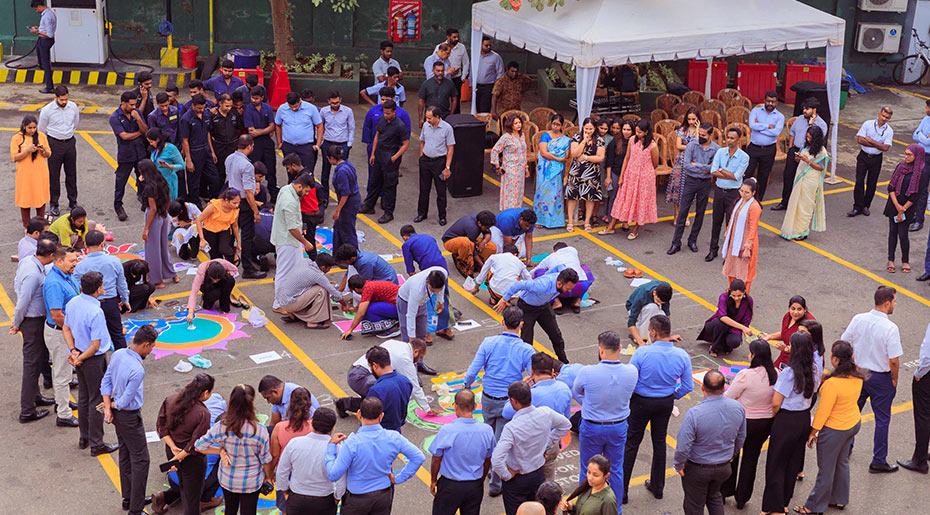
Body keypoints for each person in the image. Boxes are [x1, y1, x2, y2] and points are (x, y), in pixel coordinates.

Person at [463, 306, 535, 495]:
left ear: (503, 322)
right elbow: (533, 376)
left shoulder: (488, 342)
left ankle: (483, 471)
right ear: (521, 324)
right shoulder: (527, 349)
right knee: (501, 443)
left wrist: (466, 387)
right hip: (510, 403)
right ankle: (496, 485)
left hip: (488, 398)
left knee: (488, 436)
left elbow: (473, 370)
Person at [622, 315, 692, 502]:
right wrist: (672, 395)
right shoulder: (681, 355)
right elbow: (688, 386)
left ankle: (622, 490)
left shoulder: (642, 353)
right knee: (659, 442)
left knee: (631, 443)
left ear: (653, 333)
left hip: (640, 401)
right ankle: (658, 487)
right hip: (664, 402)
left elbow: (629, 378)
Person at [793, 340, 864, 514]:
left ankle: (813, 506)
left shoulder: (832, 384)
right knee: (842, 462)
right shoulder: (857, 375)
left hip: (835, 429)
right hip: (853, 423)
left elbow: (823, 412)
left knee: (826, 470)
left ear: (835, 359)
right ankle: (839, 498)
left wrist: (813, 431)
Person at [572, 330, 638, 511]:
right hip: (618, 426)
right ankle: (615, 509)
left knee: (588, 469)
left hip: (592, 427)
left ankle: (584, 508)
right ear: (620, 348)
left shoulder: (587, 372)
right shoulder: (631, 371)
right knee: (615, 469)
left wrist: (588, 403)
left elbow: (576, 391)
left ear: (601, 350)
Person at [325, 397, 425, 514]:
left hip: (357, 500)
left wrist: (331, 447)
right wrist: (398, 478)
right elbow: (418, 457)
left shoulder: (352, 443)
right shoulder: (394, 437)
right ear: (381, 416)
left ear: (359, 414)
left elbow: (333, 474)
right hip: (383, 497)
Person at [840, 285, 902, 473]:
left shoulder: (858, 319)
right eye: (894, 301)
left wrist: (853, 359)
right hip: (881, 378)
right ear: (887, 303)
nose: (895, 305)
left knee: (852, 412)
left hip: (858, 373)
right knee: (882, 420)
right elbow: (893, 360)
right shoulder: (890, 328)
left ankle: (845, 448)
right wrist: (894, 379)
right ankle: (878, 460)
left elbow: (844, 342)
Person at [100, 325, 157, 515]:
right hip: (129, 416)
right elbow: (124, 401)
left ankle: (129, 497)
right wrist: (111, 406)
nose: (152, 350)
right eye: (152, 346)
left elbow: (106, 382)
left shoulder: (118, 354)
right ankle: (136, 508)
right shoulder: (137, 370)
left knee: (125, 453)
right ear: (146, 344)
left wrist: (107, 407)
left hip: (118, 415)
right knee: (141, 459)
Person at [492, 381, 571, 515]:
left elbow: (496, 459)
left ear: (513, 401)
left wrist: (507, 475)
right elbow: (565, 425)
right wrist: (547, 443)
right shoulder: (545, 413)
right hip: (538, 474)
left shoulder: (511, 427)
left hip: (517, 479)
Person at [760, 332, 818, 515]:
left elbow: (776, 402)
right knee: (792, 463)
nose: (788, 347)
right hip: (803, 418)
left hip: (786, 420)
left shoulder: (789, 373)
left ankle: (774, 508)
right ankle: (784, 502)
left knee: (776, 463)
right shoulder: (814, 368)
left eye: (791, 345)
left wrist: (775, 417)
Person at [674, 371, 746, 515]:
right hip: (723, 467)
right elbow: (741, 436)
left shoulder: (695, 413)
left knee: (694, 505)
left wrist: (679, 464)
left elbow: (683, 446)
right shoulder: (738, 408)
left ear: (702, 387)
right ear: (724, 387)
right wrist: (732, 455)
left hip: (698, 469)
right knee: (714, 496)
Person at [194, 384, 273, 515]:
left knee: (230, 510)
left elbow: (199, 446)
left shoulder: (221, 427)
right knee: (249, 512)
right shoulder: (260, 431)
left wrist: (219, 451)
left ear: (231, 402)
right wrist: (268, 477)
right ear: (252, 402)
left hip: (228, 479)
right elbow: (265, 460)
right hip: (251, 481)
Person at [64, 271, 119, 456]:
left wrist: (74, 351)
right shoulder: (96, 312)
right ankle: (97, 443)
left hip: (80, 352)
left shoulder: (73, 303)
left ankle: (84, 437)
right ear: (99, 289)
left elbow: (66, 328)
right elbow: (95, 346)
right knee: (97, 400)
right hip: (92, 359)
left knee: (83, 397)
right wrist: (80, 358)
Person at [721, 339, 777, 509]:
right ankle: (742, 498)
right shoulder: (775, 373)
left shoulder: (745, 375)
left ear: (754, 355)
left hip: (743, 421)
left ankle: (725, 491)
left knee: (732, 456)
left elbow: (729, 396)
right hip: (764, 423)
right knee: (751, 460)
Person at [501, 352, 572, 481]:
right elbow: (565, 419)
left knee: (528, 479)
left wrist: (520, 389)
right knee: (549, 477)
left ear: (532, 371)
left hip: (530, 445)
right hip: (552, 442)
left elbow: (506, 412)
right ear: (552, 371)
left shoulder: (531, 394)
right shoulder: (564, 388)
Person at [152, 373, 216, 515]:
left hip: (172, 449)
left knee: (183, 486)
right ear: (206, 393)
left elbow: (161, 427)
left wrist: (172, 448)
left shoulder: (170, 399)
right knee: (192, 497)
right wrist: (180, 455)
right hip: (191, 458)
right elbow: (196, 444)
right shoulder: (203, 413)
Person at [429, 389, 495, 515]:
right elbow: (488, 459)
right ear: (475, 406)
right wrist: (480, 480)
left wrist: (433, 480)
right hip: (474, 485)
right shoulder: (487, 430)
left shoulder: (447, 430)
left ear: (455, 406)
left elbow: (436, 458)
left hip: (450, 486)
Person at [12, 237, 56, 424]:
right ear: (51, 255)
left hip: (34, 319)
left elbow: (16, 284)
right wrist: (16, 323)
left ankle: (35, 397)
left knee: (37, 362)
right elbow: (23, 301)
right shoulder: (34, 275)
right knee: (31, 366)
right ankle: (27, 411)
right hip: (32, 321)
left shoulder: (28, 262)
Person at [334, 338, 438, 417]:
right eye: (420, 357)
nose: (419, 360)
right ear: (415, 352)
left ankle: (344, 403)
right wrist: (427, 408)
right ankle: (348, 405)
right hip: (361, 377)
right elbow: (414, 386)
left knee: (382, 396)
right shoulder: (405, 359)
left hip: (355, 370)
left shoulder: (394, 343)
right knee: (381, 401)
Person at [494, 268, 578, 364]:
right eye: (567, 288)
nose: (569, 291)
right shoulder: (541, 285)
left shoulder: (562, 275)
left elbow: (559, 266)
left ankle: (564, 362)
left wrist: (547, 274)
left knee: (556, 335)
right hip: (527, 307)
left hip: (544, 306)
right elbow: (519, 284)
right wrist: (504, 299)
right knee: (527, 340)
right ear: (559, 284)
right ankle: (528, 364)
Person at [274, 407, 345, 515]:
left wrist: (285, 491)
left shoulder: (294, 443)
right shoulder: (337, 449)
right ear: (333, 427)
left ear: (312, 423)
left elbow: (281, 471)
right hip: (324, 500)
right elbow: (342, 479)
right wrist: (337, 497)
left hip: (297, 498)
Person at [601, 119, 658, 240]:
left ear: (646, 132)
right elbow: (627, 158)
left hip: (644, 178)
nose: (637, 134)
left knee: (641, 202)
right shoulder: (632, 140)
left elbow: (655, 163)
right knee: (621, 199)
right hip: (630, 175)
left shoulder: (652, 145)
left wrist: (644, 170)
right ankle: (611, 227)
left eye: (640, 132)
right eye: (636, 131)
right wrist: (622, 176)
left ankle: (636, 229)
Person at [42, 246, 80, 427]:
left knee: (64, 371)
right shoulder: (54, 284)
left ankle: (62, 401)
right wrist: (74, 329)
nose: (75, 263)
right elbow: (57, 315)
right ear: (59, 261)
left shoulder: (66, 275)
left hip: (64, 331)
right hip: (59, 333)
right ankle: (64, 414)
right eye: (72, 261)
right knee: (62, 374)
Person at [73, 229, 130, 348]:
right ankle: (123, 358)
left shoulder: (80, 266)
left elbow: (78, 289)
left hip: (89, 304)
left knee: (92, 337)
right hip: (110, 303)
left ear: (85, 244)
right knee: (117, 334)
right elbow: (121, 283)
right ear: (102, 244)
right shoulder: (114, 261)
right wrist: (125, 300)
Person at [667, 122, 719, 254]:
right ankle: (676, 242)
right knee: (683, 212)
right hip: (690, 181)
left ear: (710, 134)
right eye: (699, 134)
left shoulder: (716, 149)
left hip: (705, 183)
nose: (700, 137)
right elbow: (686, 165)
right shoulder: (691, 145)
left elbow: (714, 168)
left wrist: (697, 165)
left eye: (703, 135)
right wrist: (704, 168)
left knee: (700, 213)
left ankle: (692, 240)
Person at [772, 98, 828, 211]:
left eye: (807, 109)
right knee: (788, 176)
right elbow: (792, 132)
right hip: (795, 150)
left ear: (814, 110)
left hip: (808, 154)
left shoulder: (821, 125)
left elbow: (816, 141)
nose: (804, 111)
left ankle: (799, 205)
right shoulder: (799, 119)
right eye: (803, 108)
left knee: (803, 180)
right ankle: (785, 202)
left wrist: (811, 125)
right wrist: (791, 147)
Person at [705, 127, 749, 261]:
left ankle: (728, 254)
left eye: (732, 138)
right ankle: (713, 250)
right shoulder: (720, 152)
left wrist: (721, 170)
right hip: (719, 191)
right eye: (727, 137)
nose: (729, 140)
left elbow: (736, 177)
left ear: (738, 140)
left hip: (733, 194)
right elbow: (713, 171)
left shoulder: (744, 157)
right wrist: (729, 174)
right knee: (716, 222)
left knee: (731, 225)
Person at [779, 125, 830, 241]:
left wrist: (808, 161)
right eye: (807, 137)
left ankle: (803, 231)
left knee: (806, 206)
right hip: (801, 177)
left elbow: (821, 167)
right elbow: (801, 159)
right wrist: (798, 159)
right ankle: (793, 229)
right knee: (796, 203)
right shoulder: (806, 147)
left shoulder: (822, 151)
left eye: (810, 137)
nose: (808, 139)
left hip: (811, 179)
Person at [225, 135, 266, 279]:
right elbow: (248, 192)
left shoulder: (229, 158)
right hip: (243, 202)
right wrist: (255, 211)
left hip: (231, 200)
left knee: (231, 232)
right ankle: (248, 268)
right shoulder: (247, 166)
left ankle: (230, 262)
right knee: (247, 236)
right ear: (249, 146)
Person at [137, 160, 180, 289]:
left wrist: (146, 228)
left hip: (154, 217)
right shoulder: (162, 181)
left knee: (152, 250)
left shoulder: (149, 188)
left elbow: (152, 209)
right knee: (163, 247)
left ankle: (156, 280)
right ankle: (172, 274)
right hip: (164, 214)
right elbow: (167, 199)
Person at [274, 252, 344, 330]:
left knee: (318, 286)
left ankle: (293, 315)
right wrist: (344, 304)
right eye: (329, 268)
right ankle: (313, 321)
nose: (329, 270)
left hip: (282, 300)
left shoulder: (305, 261)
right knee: (322, 290)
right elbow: (334, 293)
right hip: (289, 304)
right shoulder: (317, 275)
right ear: (323, 267)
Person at [364, 100, 408, 224]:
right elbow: (377, 136)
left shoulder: (400, 126)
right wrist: (373, 153)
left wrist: (395, 157)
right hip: (379, 155)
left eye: (388, 113)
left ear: (394, 112)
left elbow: (405, 144)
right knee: (374, 182)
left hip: (390, 157)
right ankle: (369, 205)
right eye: (384, 112)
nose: (386, 115)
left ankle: (388, 213)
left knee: (389, 186)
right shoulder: (382, 120)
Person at [38, 85, 79, 216]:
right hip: (54, 144)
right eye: (62, 100)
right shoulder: (47, 110)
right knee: (54, 175)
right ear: (55, 97)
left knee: (71, 174)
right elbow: (41, 130)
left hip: (70, 143)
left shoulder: (73, 107)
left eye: (66, 99)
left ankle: (73, 202)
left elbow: (75, 123)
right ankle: (54, 204)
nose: (64, 102)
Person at [849, 106, 895, 217]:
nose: (884, 119)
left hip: (876, 158)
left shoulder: (889, 131)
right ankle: (857, 206)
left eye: (887, 117)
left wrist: (871, 141)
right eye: (883, 116)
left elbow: (886, 148)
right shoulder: (868, 124)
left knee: (872, 183)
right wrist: (878, 144)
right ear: (879, 114)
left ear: (889, 118)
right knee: (859, 181)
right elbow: (860, 140)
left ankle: (866, 205)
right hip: (863, 156)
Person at [110, 91, 149, 221]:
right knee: (120, 182)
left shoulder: (136, 112)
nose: (133, 107)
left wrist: (138, 119)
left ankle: (144, 200)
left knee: (143, 179)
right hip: (126, 155)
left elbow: (146, 131)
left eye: (135, 104)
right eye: (131, 105)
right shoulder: (115, 117)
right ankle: (118, 206)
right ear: (123, 103)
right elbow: (124, 136)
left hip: (140, 152)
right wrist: (139, 133)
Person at [885, 144, 923, 273]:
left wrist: (902, 209)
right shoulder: (900, 166)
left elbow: (916, 195)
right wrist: (897, 206)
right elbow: (891, 187)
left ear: (917, 156)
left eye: (909, 155)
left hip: (908, 207)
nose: (906, 157)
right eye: (905, 154)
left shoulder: (920, 172)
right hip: (894, 204)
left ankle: (905, 261)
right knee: (892, 231)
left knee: (903, 234)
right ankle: (890, 259)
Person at [565, 117, 606, 233]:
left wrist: (586, 157)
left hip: (591, 173)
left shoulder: (599, 140)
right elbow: (574, 153)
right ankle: (571, 221)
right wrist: (583, 141)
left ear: (595, 129)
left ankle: (587, 221)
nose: (588, 131)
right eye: (586, 128)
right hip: (576, 171)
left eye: (590, 129)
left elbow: (600, 157)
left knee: (590, 197)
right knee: (572, 196)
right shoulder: (576, 138)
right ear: (582, 127)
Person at [720, 178, 761, 293]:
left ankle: (743, 295)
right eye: (741, 191)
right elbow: (733, 218)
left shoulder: (754, 207)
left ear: (753, 193)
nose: (743, 194)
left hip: (746, 242)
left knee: (744, 272)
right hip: (735, 240)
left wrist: (747, 247)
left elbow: (753, 228)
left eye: (746, 192)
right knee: (733, 267)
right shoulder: (740, 201)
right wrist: (728, 231)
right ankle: (732, 291)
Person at [900, 321, 930, 474]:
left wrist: (919, 373)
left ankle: (920, 460)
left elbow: (928, 355)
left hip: (927, 376)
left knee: (923, 415)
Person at [417, 106, 455, 225]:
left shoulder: (447, 128)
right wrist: (421, 156)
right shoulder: (425, 126)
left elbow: (450, 148)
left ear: (437, 117)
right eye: (426, 117)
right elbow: (422, 141)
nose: (427, 120)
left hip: (439, 162)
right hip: (425, 161)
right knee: (424, 189)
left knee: (441, 191)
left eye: (429, 118)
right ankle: (422, 213)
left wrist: (447, 167)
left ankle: (442, 216)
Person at [11, 114, 51, 226]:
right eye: (30, 128)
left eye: (34, 127)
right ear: (24, 126)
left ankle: (40, 225)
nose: (32, 130)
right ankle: (27, 226)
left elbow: (48, 154)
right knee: (25, 200)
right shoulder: (17, 138)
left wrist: (42, 150)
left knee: (40, 199)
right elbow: (15, 157)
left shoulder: (42, 136)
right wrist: (27, 151)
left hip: (40, 173)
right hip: (25, 175)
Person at [745, 91, 785, 201]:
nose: (770, 103)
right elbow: (752, 125)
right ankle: (744, 198)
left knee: (763, 176)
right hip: (754, 148)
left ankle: (758, 200)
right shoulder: (756, 111)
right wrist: (768, 126)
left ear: (777, 103)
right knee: (748, 173)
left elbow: (776, 132)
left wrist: (759, 128)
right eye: (768, 101)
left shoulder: (780, 116)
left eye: (773, 102)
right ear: (764, 101)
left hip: (769, 150)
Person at [697, 279, 753, 357]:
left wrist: (748, 335)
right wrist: (743, 328)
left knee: (735, 341)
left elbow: (746, 321)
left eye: (739, 295)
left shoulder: (749, 301)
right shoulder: (723, 297)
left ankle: (726, 345)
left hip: (734, 328)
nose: (736, 298)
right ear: (730, 291)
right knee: (722, 324)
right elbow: (722, 317)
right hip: (717, 325)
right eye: (733, 295)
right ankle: (714, 346)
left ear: (744, 292)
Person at [532, 242, 593, 313]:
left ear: (555, 251)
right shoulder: (573, 251)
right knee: (584, 269)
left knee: (539, 272)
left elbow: (534, 271)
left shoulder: (551, 257)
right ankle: (577, 301)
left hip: (561, 290)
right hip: (580, 286)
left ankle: (556, 302)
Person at [363, 345, 413, 432]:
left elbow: (369, 420)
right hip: (397, 430)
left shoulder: (376, 390)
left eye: (370, 366)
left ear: (375, 366)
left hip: (380, 432)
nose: (371, 370)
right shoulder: (405, 381)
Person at [319, 91, 355, 209]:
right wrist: (320, 142)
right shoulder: (323, 111)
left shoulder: (348, 111)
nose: (335, 105)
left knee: (342, 171)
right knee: (325, 171)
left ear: (341, 100)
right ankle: (324, 197)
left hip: (342, 144)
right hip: (327, 143)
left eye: (337, 102)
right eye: (333, 103)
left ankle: (343, 196)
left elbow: (351, 127)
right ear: (328, 101)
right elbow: (320, 126)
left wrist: (349, 143)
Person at [760, 296, 816, 370]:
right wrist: (770, 337)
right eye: (793, 309)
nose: (795, 312)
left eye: (799, 309)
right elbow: (785, 333)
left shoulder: (807, 325)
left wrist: (786, 348)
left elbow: (804, 349)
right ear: (789, 308)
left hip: (798, 361)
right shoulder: (787, 317)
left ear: (805, 309)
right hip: (785, 355)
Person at [271, 170, 318, 259]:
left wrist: (301, 226)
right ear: (300, 186)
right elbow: (292, 228)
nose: (307, 194)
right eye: (306, 191)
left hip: (287, 240)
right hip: (287, 243)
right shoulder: (290, 202)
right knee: (286, 267)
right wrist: (306, 242)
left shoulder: (286, 189)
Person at [535, 114, 570, 229]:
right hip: (545, 169)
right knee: (542, 193)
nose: (555, 126)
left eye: (558, 124)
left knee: (555, 194)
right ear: (551, 123)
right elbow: (543, 153)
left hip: (557, 170)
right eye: (554, 124)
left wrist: (557, 156)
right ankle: (540, 219)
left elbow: (566, 155)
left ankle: (555, 220)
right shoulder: (545, 135)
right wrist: (557, 158)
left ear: (562, 125)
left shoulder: (565, 139)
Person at [275, 91, 324, 175]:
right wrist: (279, 143)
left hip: (306, 147)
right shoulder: (282, 109)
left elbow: (319, 126)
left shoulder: (311, 108)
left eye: (296, 106)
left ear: (300, 100)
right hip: (289, 147)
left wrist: (318, 145)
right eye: (291, 107)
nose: (294, 109)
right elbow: (278, 125)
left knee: (307, 173)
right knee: (291, 173)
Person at [397, 267, 448, 343]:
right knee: (407, 332)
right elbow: (410, 315)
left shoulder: (443, 273)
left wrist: (441, 301)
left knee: (422, 330)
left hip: (423, 301)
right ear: (427, 283)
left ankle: (421, 347)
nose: (436, 293)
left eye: (438, 290)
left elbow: (442, 287)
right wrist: (411, 338)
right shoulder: (417, 290)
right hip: (405, 301)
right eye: (433, 290)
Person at [491, 112, 530, 211]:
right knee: (511, 193)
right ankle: (509, 212)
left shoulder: (522, 135)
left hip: (520, 169)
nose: (518, 125)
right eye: (515, 123)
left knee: (519, 192)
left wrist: (526, 168)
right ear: (510, 125)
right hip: (511, 170)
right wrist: (497, 166)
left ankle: (516, 212)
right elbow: (495, 150)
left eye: (519, 122)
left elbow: (524, 152)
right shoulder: (506, 137)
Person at [668, 108, 701, 223]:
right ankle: (676, 213)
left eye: (693, 119)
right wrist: (692, 147)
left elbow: (698, 145)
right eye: (689, 119)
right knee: (676, 187)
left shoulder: (700, 131)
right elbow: (678, 146)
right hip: (680, 161)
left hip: (692, 162)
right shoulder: (682, 130)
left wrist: (697, 130)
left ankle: (685, 214)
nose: (691, 121)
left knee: (689, 189)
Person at [442, 210, 497, 278]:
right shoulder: (472, 228)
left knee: (492, 247)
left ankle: (476, 263)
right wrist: (482, 265)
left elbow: (488, 233)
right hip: (450, 242)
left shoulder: (482, 219)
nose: (488, 229)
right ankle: (463, 264)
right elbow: (473, 250)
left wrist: (483, 242)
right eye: (487, 227)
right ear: (479, 223)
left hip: (468, 238)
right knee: (467, 244)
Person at [328, 145, 362, 248]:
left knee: (347, 231)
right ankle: (338, 253)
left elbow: (345, 193)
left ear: (332, 158)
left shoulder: (342, 172)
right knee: (338, 227)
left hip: (348, 204)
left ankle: (352, 253)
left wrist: (338, 210)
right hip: (352, 200)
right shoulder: (347, 164)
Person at [195, 188, 241, 263]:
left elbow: (235, 225)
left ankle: (234, 259)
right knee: (215, 256)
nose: (237, 205)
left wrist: (238, 242)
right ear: (226, 200)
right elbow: (199, 220)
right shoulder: (213, 206)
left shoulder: (235, 210)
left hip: (224, 230)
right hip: (210, 231)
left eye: (238, 203)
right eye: (234, 203)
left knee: (224, 249)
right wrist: (202, 239)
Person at [624, 280, 672, 346]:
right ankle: (644, 339)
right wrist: (639, 340)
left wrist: (665, 336)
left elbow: (667, 314)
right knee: (652, 307)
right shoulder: (642, 296)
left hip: (650, 307)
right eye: (657, 300)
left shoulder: (667, 289)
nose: (659, 304)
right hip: (633, 308)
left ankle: (655, 337)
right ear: (654, 293)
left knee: (662, 316)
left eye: (661, 303)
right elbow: (631, 322)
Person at [147, 128, 184, 201]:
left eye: (151, 142)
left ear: (157, 140)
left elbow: (182, 165)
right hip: (157, 181)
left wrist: (169, 166)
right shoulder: (154, 148)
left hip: (168, 181)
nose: (150, 144)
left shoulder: (171, 148)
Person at [437, 28, 469, 113]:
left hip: (457, 79)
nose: (457, 39)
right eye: (454, 37)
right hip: (444, 78)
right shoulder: (440, 47)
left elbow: (466, 63)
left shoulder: (462, 47)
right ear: (448, 37)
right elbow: (436, 61)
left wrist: (463, 77)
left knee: (456, 100)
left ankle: (455, 117)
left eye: (457, 37)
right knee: (443, 99)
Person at [30, 0, 57, 94]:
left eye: (36, 9)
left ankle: (49, 87)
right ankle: (48, 83)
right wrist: (39, 29)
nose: (36, 11)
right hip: (43, 40)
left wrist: (36, 31)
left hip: (45, 41)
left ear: (39, 6)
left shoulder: (47, 16)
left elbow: (49, 34)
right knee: (42, 62)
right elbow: (46, 29)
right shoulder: (49, 13)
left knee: (46, 64)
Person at [475, 36, 504, 113]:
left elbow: (500, 73)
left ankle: (485, 121)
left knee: (485, 109)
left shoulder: (496, 57)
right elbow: (472, 71)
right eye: (486, 45)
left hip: (488, 87)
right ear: (480, 45)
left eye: (490, 45)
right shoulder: (475, 56)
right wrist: (471, 85)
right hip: (476, 87)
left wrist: (496, 87)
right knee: (477, 108)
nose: (489, 47)